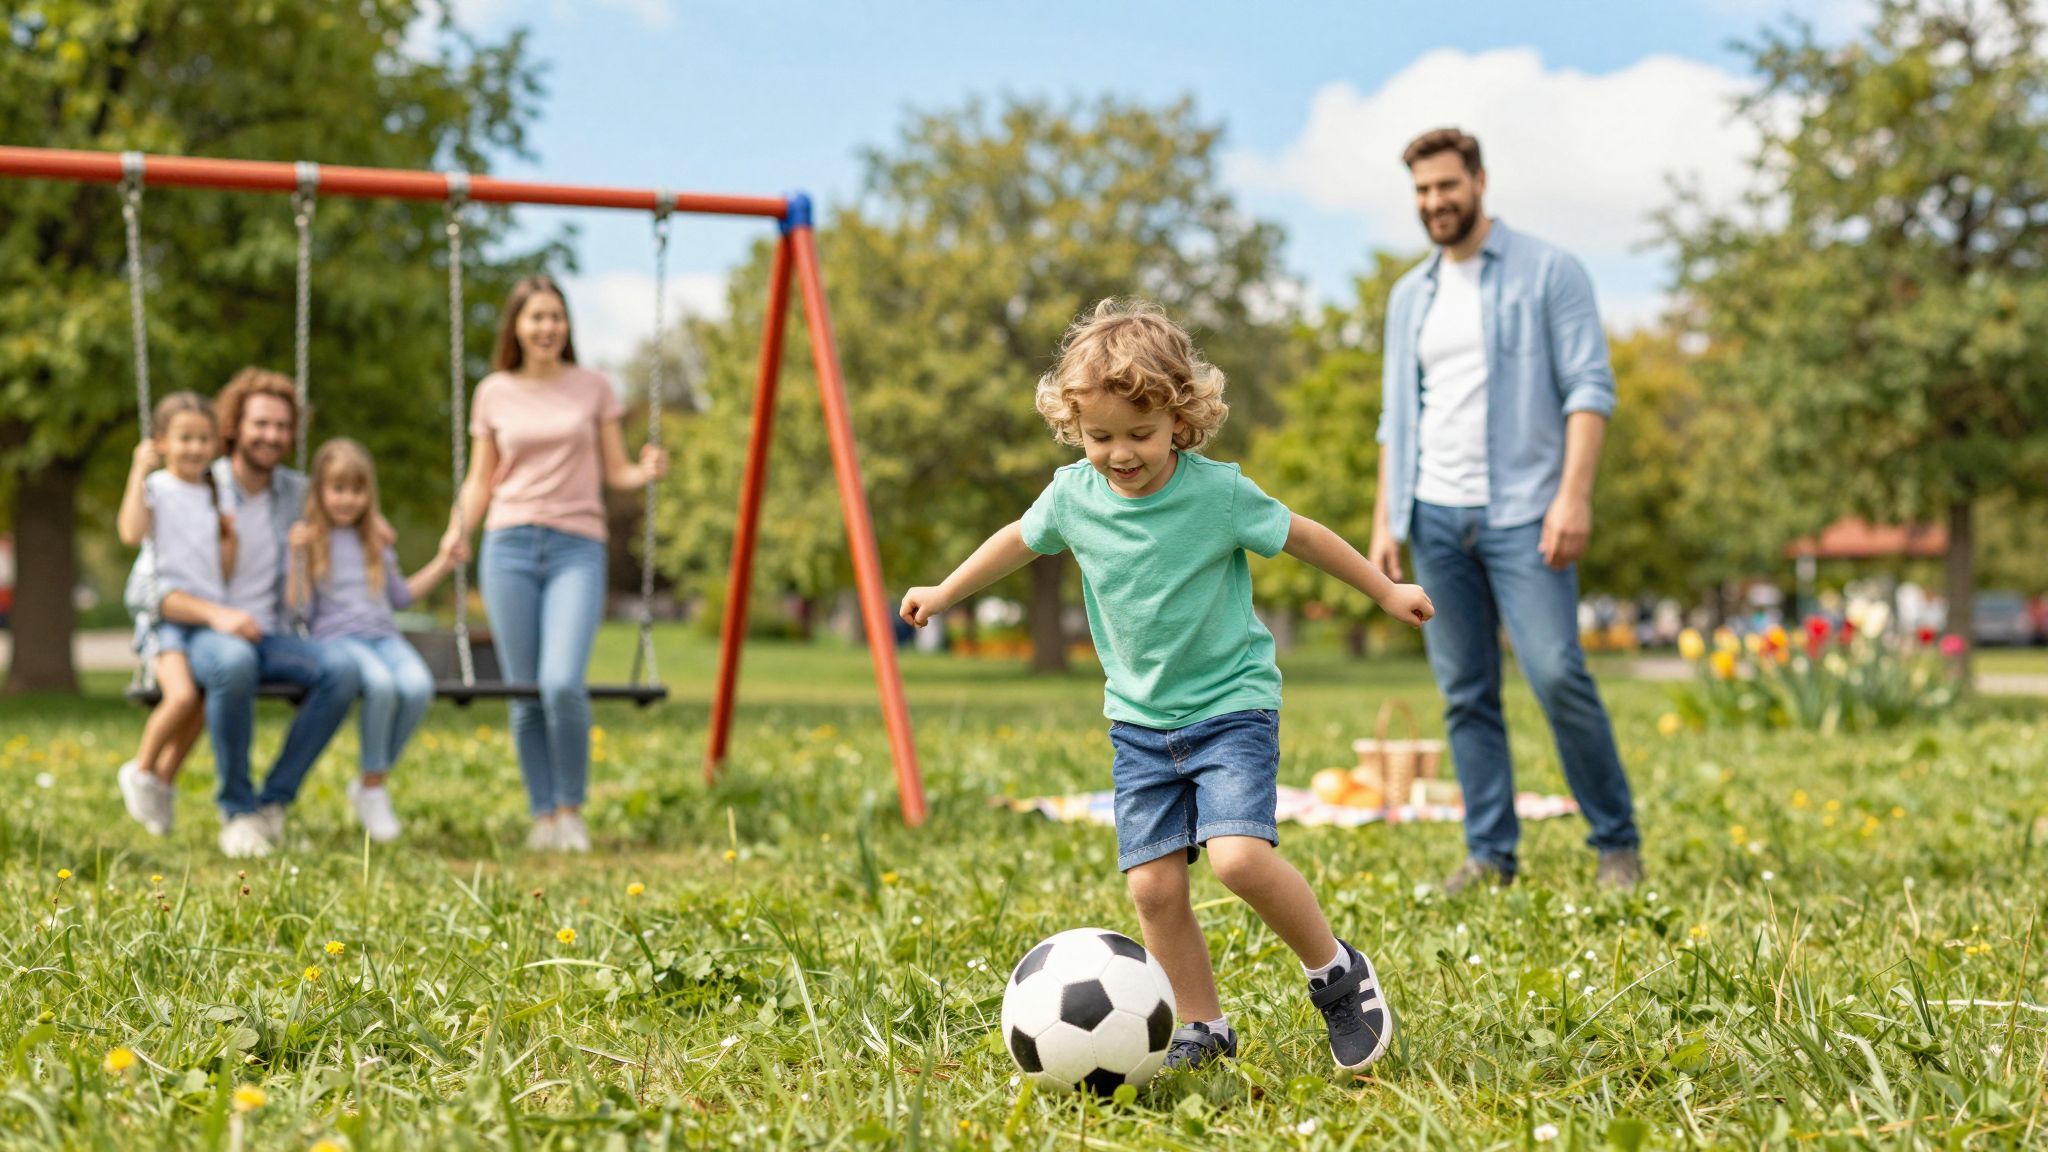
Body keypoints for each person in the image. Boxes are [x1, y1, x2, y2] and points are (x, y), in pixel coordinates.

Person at [900, 299, 1434, 1074]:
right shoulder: (1072, 496)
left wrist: (1384, 591)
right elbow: (1016, 540)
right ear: (1074, 427)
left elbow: (1306, 537)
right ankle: (1202, 1025)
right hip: (1140, 723)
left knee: (1238, 861)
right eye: (1099, 436)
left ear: (1180, 420)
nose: (1119, 453)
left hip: (1231, 708)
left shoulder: (1218, 495)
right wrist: (946, 591)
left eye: (1139, 434)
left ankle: (1337, 974)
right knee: (1152, 887)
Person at [1368, 128, 1644, 894]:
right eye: (1422, 191)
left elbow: (1590, 389)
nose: (1435, 203)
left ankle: (1615, 842)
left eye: (1447, 186)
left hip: (1528, 512)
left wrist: (1574, 495)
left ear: (1480, 181)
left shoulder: (1549, 271)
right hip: (1433, 515)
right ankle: (1491, 854)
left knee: (1557, 673)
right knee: (1464, 692)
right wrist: (1386, 518)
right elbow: (1398, 415)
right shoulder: (1408, 296)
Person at [441, 275, 668, 853]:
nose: (547, 328)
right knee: (524, 691)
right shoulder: (494, 390)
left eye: (556, 317)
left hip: (576, 546)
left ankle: (571, 812)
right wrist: (456, 532)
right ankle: (542, 816)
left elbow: (614, 471)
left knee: (562, 682)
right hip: (508, 545)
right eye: (535, 317)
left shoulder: (592, 387)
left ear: (567, 326)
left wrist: (644, 473)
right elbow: (480, 480)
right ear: (516, 325)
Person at [124, 369, 361, 859]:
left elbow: (355, 504)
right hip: (202, 634)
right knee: (233, 662)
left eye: (281, 426)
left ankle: (270, 804)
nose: (271, 435)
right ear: (233, 426)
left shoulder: (295, 493)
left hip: (265, 632)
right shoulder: (192, 481)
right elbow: (142, 588)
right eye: (260, 424)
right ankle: (235, 809)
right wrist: (216, 615)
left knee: (341, 669)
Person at [289, 439, 465, 843]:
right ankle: (372, 790)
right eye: (337, 489)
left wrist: (444, 561)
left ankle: (372, 781)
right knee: (382, 687)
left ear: (369, 494)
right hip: (337, 640)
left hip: (385, 637)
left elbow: (401, 596)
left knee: (418, 688)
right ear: (320, 490)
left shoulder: (375, 542)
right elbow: (297, 607)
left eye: (356, 489)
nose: (347, 499)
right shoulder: (309, 539)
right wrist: (296, 558)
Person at [115, 392, 238, 836]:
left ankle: (163, 784)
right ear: (162, 441)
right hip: (164, 615)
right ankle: (141, 770)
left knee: (204, 704)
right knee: (182, 696)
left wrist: (229, 539)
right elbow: (130, 532)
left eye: (203, 438)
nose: (194, 447)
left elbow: (222, 567)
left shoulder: (215, 490)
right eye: (184, 438)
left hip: (202, 615)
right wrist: (138, 469)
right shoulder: (156, 486)